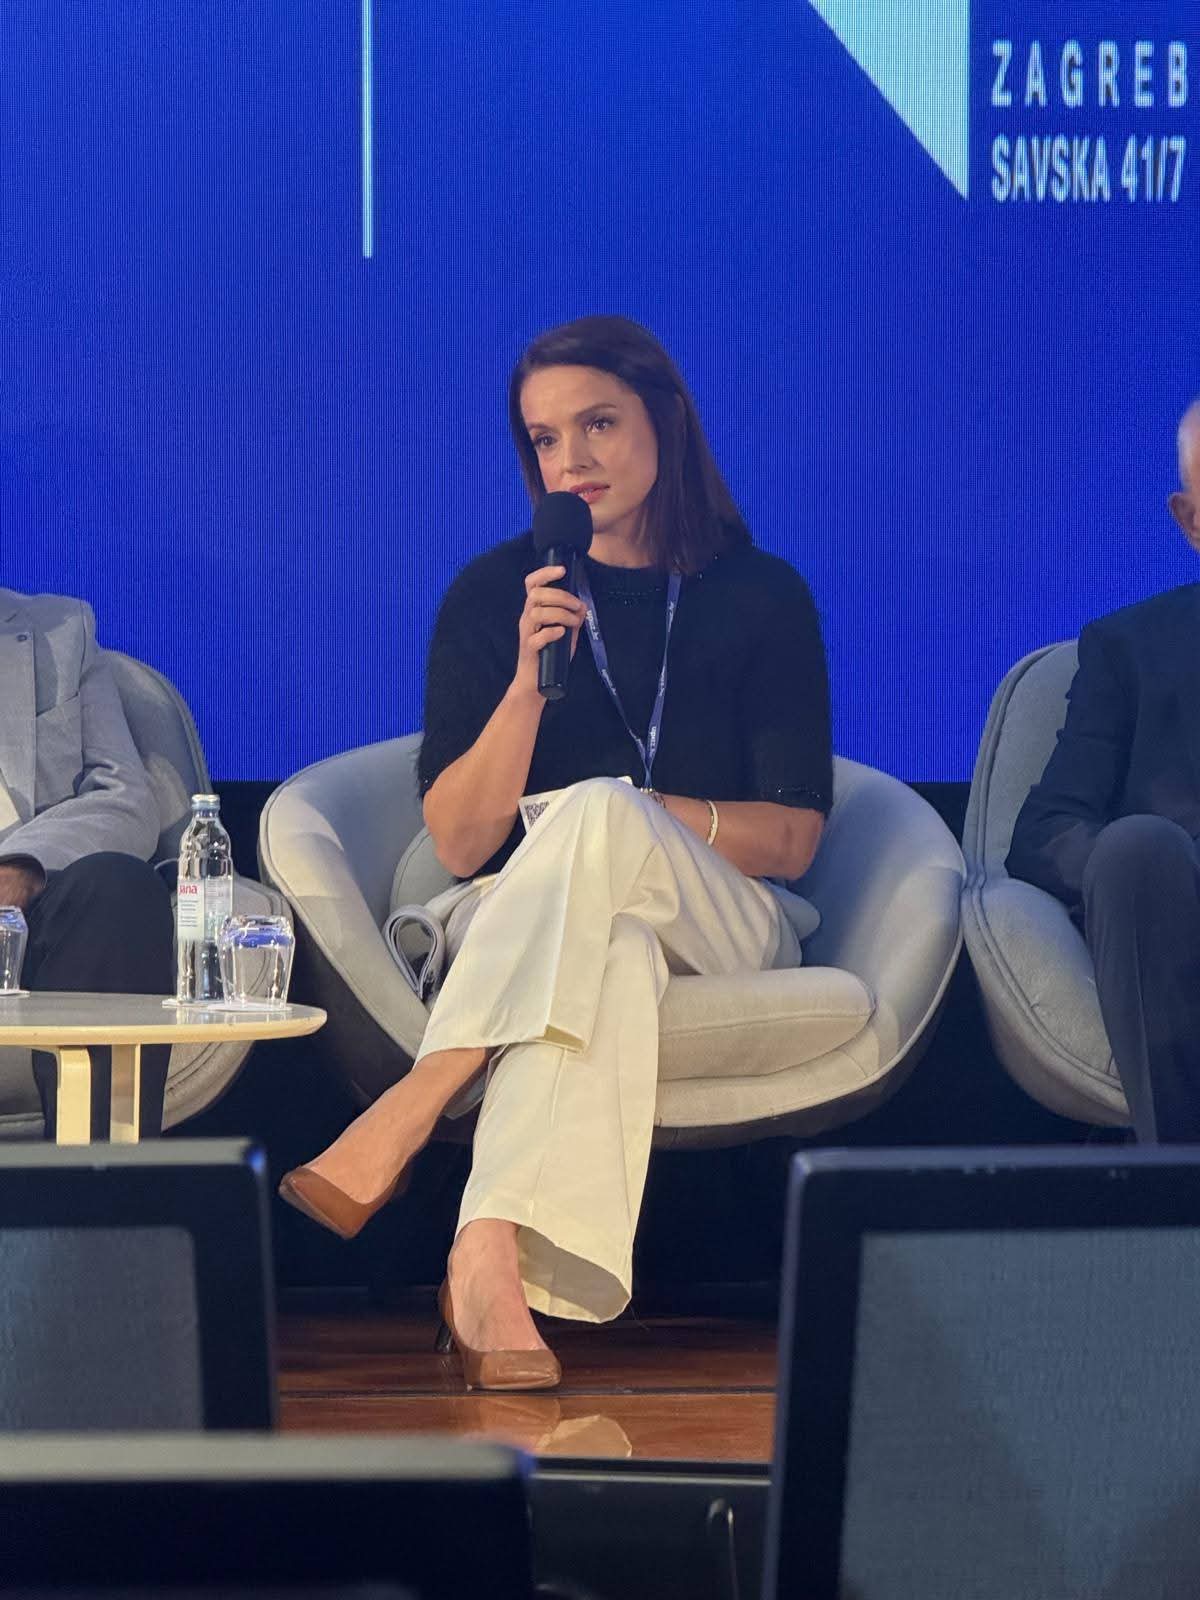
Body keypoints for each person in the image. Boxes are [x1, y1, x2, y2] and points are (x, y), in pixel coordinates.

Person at [280, 315, 833, 1388]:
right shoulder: (498, 594)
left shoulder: (761, 595)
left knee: (601, 813)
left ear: (666, 421)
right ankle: (488, 1263)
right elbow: (460, 841)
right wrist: (531, 684)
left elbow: (796, 836)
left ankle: (421, 1095)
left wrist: (640, 815)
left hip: (723, 919)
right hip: (531, 917)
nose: (570, 459)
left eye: (598, 425)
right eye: (544, 439)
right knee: (608, 948)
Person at [1006, 398, 1200, 1143]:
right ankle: (1179, 1186)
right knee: (1136, 847)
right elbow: (1046, 830)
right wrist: (1166, 864)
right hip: (1181, 921)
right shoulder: (1128, 651)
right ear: (1191, 520)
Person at [0, 587, 174, 1137]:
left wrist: (23, 865)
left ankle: (100, 1181)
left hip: (28, 913)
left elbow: (125, 799)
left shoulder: (61, 632)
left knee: (119, 888)